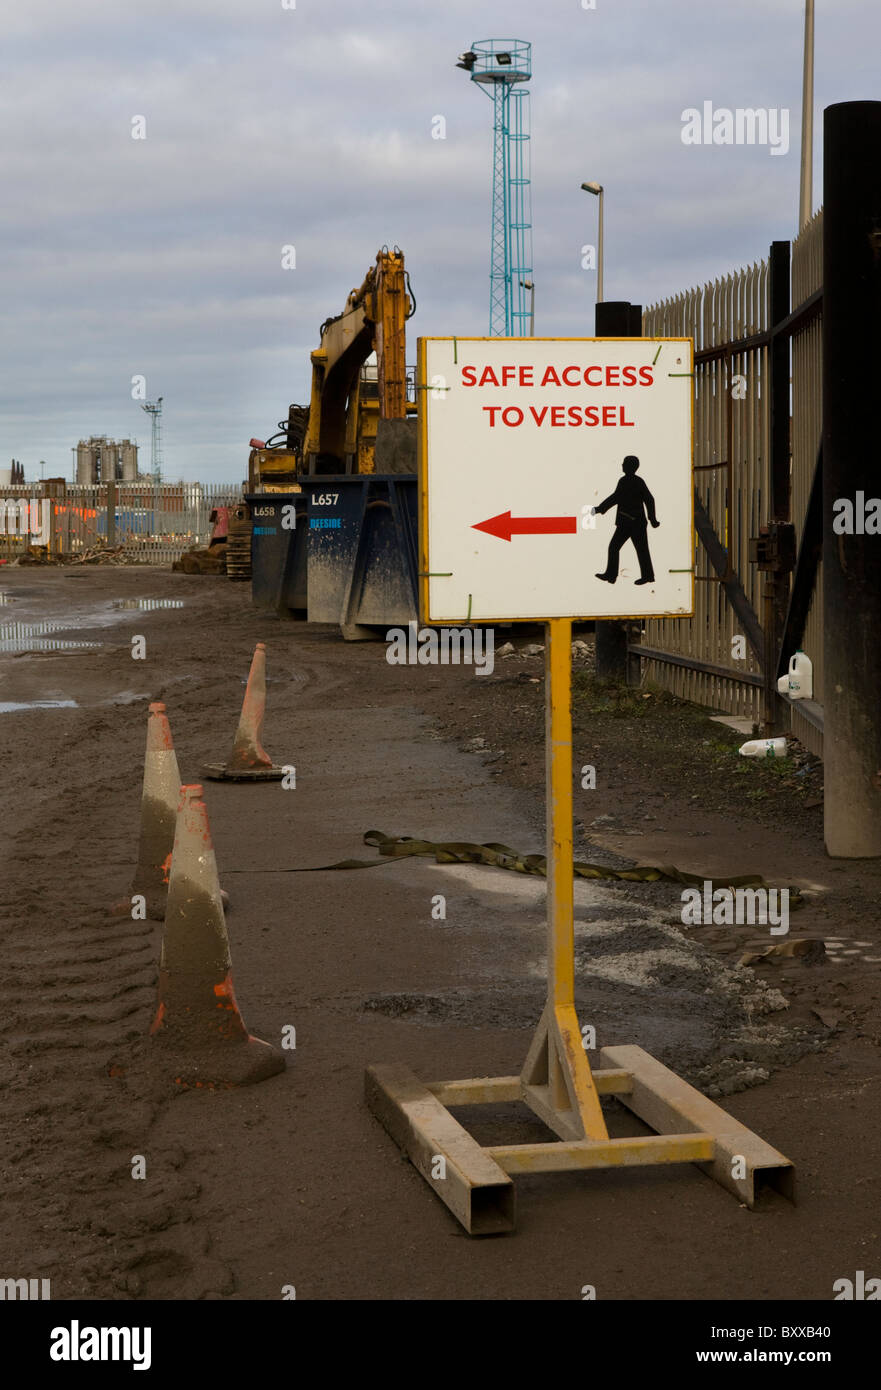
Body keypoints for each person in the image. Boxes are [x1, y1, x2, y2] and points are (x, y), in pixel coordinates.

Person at [592, 455, 659, 585]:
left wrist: (599, 509)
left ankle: (614, 576)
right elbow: (648, 499)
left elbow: (616, 497)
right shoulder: (634, 481)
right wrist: (652, 519)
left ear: (629, 466)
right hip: (631, 522)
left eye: (624, 463)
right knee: (633, 549)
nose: (622, 465)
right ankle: (615, 575)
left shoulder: (627, 481)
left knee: (621, 548)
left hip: (632, 523)